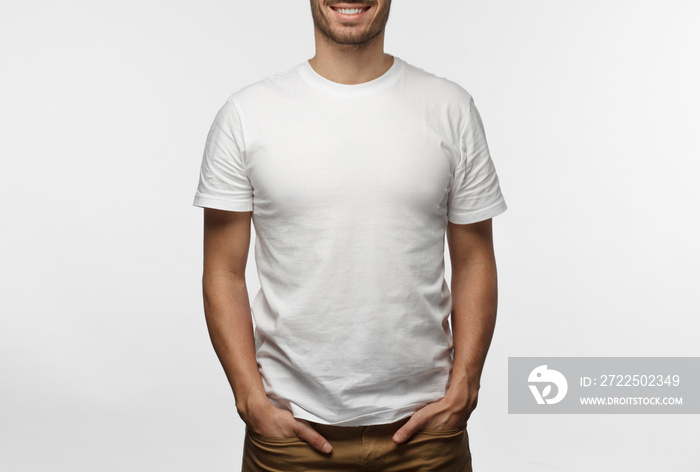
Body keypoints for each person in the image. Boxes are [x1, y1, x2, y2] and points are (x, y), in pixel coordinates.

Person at [192, 1, 507, 470]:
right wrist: (250, 399)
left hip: (425, 437)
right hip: (290, 437)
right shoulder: (246, 115)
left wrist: (466, 384)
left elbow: (474, 259)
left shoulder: (450, 108)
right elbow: (222, 271)